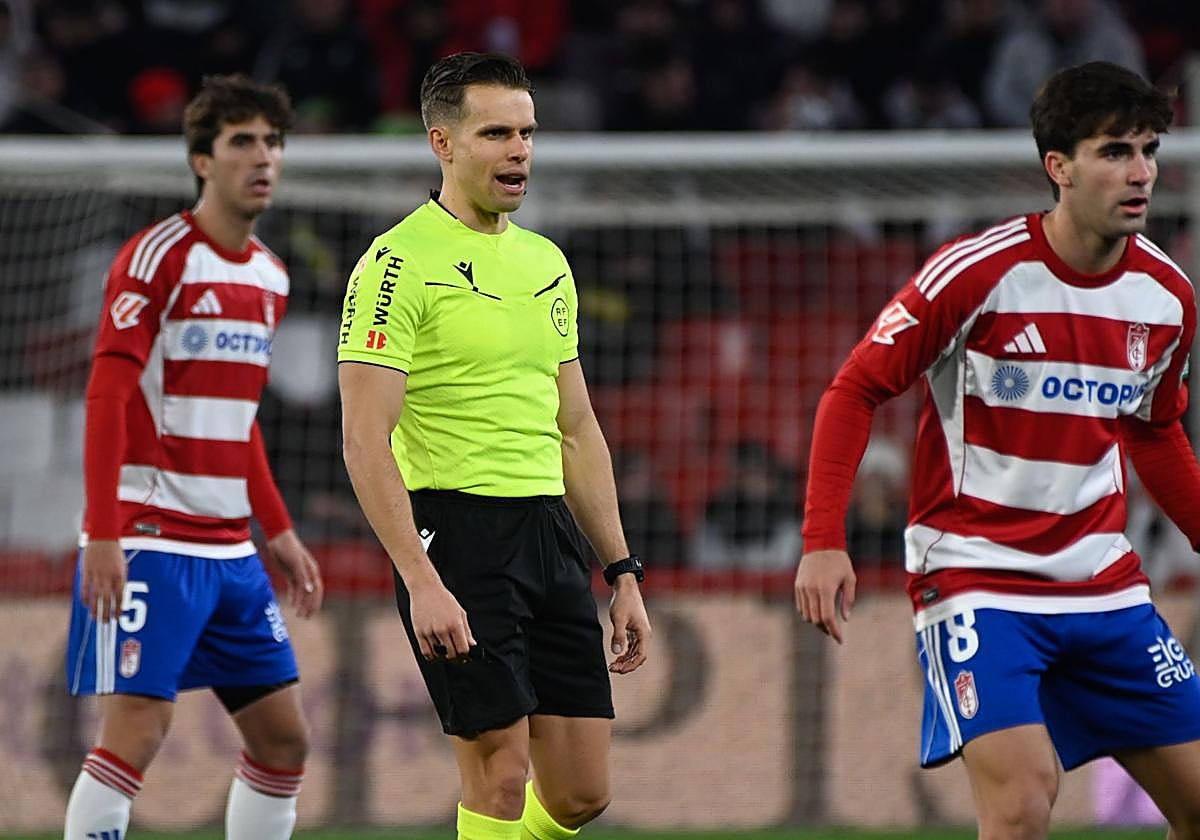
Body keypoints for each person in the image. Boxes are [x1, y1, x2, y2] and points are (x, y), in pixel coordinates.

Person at [795, 61, 1200, 839]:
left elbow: (1155, 428)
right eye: (1115, 151)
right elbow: (854, 390)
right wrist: (822, 540)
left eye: (1149, 149)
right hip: (979, 580)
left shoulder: (1168, 296)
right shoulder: (978, 273)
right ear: (1059, 167)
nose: (1141, 172)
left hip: (1104, 586)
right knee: (1019, 804)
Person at [337, 52, 652, 840]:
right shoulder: (395, 264)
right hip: (457, 535)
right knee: (500, 777)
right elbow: (361, 436)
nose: (520, 151)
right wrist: (421, 579)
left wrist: (621, 571)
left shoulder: (547, 263)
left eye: (527, 133)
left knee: (580, 794)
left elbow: (576, 428)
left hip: (547, 533)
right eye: (496, 133)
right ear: (442, 142)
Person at [64, 74, 324, 840]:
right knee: (135, 736)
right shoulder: (156, 259)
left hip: (230, 550)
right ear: (202, 161)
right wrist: (105, 534)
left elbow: (237, 419)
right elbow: (107, 397)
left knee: (284, 743)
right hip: (148, 538)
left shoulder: (270, 277)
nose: (262, 157)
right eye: (241, 141)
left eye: (271, 142)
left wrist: (276, 529)